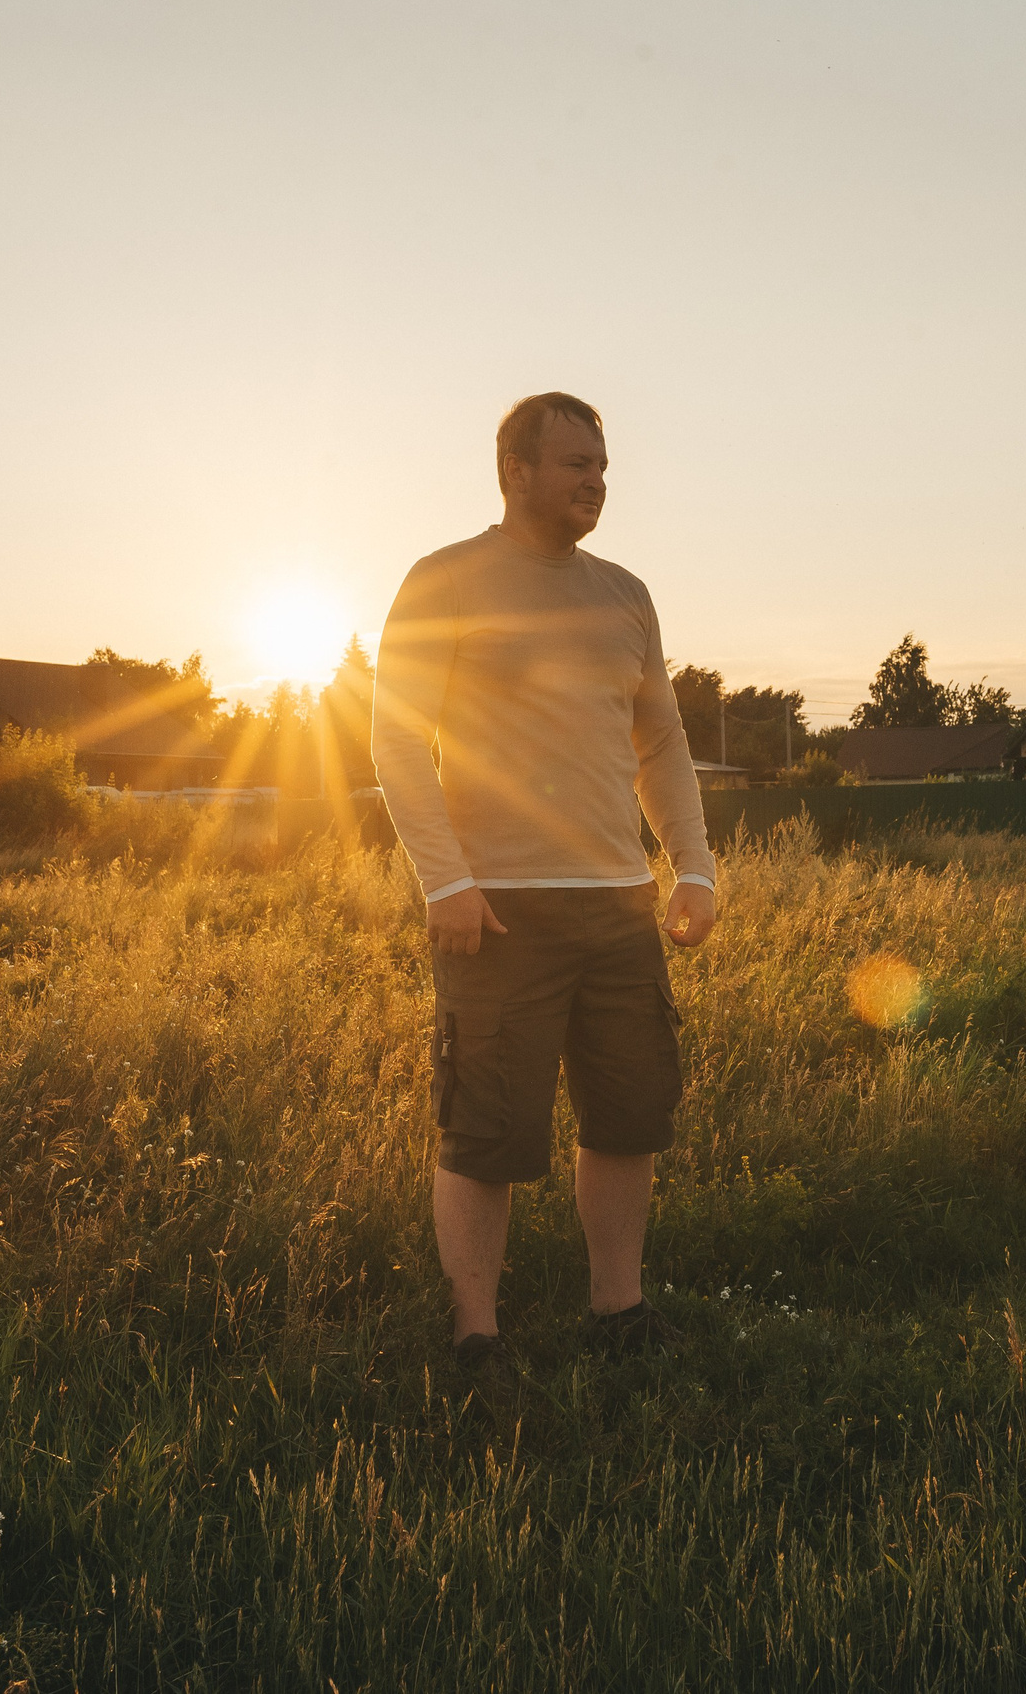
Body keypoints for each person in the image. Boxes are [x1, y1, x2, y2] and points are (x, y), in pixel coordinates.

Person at [371, 391, 717, 1374]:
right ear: (514, 471)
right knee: (486, 1130)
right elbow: (395, 738)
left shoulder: (626, 595)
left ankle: (618, 1309)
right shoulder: (444, 580)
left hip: (619, 905)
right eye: (575, 464)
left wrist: (691, 864)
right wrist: (445, 880)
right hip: (497, 910)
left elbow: (661, 742)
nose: (595, 481)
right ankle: (475, 1334)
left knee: (628, 1117)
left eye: (602, 467)